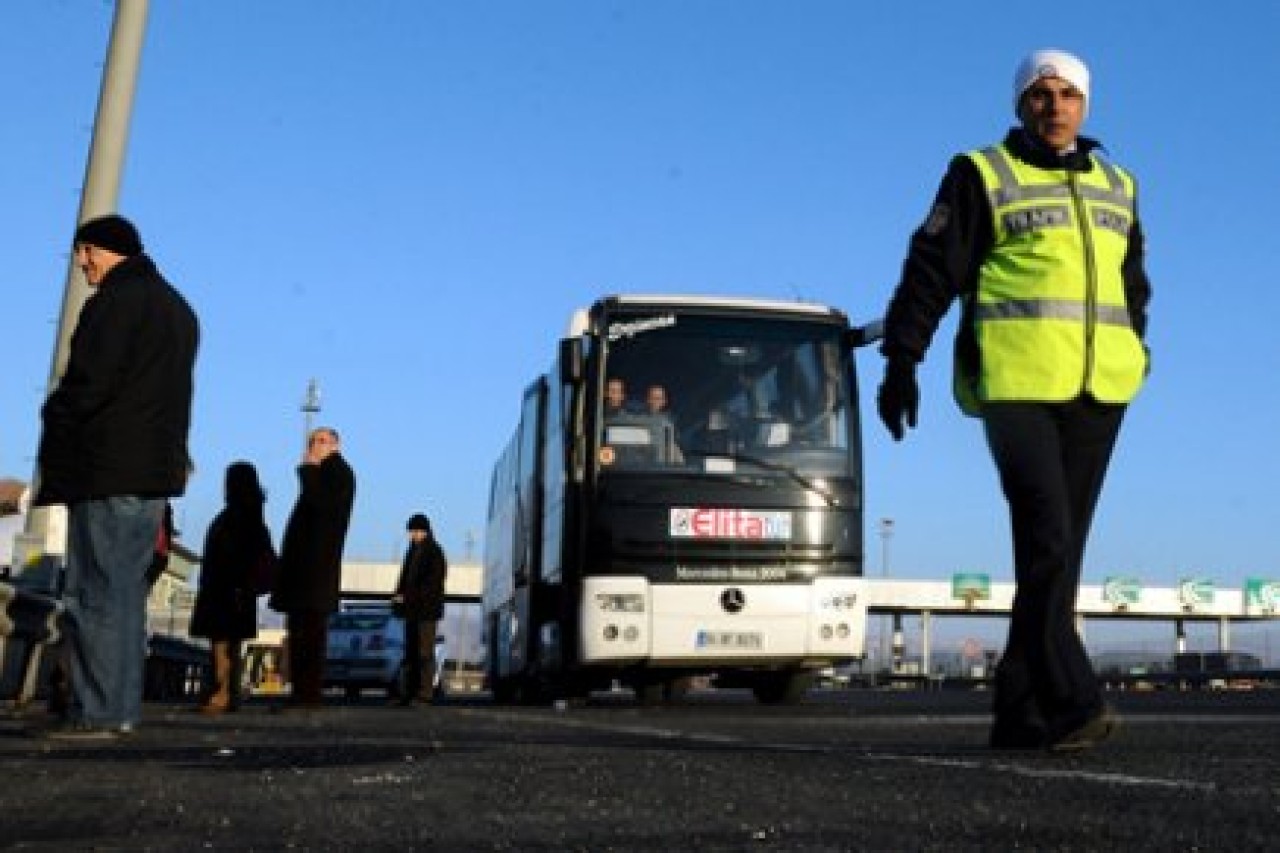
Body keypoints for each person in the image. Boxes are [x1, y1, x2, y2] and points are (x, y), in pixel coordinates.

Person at [875, 49, 1151, 752]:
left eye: (1068, 94)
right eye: (1039, 94)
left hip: (1101, 389)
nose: (1054, 106)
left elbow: (1134, 285)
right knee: (1048, 539)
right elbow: (933, 265)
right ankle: (1074, 699)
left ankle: (1019, 712)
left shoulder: (1120, 184)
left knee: (1057, 557)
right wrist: (902, 357)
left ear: (1086, 105)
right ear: (1019, 104)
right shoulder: (981, 174)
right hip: (1016, 385)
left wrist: (1138, 351)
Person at [34, 214, 199, 739]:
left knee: (92, 595)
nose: (82, 264)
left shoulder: (114, 304)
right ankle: (119, 708)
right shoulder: (178, 309)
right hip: (153, 473)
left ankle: (97, 712)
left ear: (111, 249)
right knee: (125, 597)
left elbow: (89, 383)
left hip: (106, 468)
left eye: (87, 252)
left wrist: (55, 417)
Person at [268, 426, 357, 710]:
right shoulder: (326, 472)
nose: (315, 446)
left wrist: (308, 470)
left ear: (336, 445)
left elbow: (321, 505)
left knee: (310, 634)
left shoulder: (337, 473)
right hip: (307, 568)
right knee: (301, 633)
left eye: (322, 441)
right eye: (313, 441)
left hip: (315, 569)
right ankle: (302, 693)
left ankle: (307, 695)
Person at [188, 462, 276, 714]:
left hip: (225, 589)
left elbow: (229, 555)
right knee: (230, 645)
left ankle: (221, 694)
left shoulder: (234, 517)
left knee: (222, 645)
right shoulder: (254, 516)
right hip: (239, 590)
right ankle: (229, 694)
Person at [390, 513, 448, 705]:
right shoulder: (411, 551)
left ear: (424, 531)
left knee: (424, 653)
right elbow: (404, 579)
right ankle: (408, 694)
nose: (411, 535)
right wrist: (399, 596)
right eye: (410, 531)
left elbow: (432, 584)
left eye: (415, 531)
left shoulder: (435, 552)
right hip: (411, 610)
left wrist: (408, 596)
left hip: (427, 611)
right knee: (410, 654)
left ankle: (425, 695)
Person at [644, 383, 685, 464]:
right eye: (652, 398)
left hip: (662, 469)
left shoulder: (670, 423)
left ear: (664, 401)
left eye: (658, 398)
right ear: (647, 400)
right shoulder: (638, 420)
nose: (655, 401)